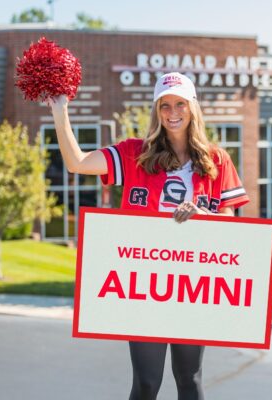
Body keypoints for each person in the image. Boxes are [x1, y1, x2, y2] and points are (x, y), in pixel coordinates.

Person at [47, 72, 249, 400]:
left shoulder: (217, 160)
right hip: (146, 284)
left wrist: (203, 216)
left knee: (190, 379)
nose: (173, 112)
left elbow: (229, 221)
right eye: (164, 105)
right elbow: (77, 163)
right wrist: (60, 110)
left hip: (193, 283)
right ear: (156, 111)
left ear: (193, 107)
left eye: (180, 103)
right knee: (146, 383)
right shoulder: (133, 154)